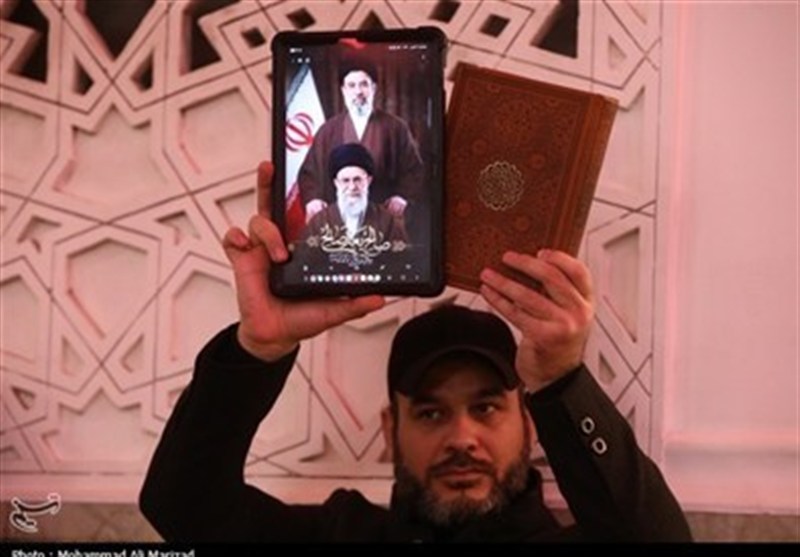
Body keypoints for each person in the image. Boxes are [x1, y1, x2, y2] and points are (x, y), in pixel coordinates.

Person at [139, 162, 693, 542]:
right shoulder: (339, 536)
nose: (461, 438)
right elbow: (182, 506)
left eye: (486, 407)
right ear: (390, 429)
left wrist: (561, 378)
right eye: (430, 412)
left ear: (528, 424)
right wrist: (258, 348)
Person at [298, 58, 424, 224]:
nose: (358, 91)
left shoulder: (395, 127)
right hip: (338, 222)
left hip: (384, 219)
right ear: (343, 90)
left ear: (374, 88)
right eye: (351, 85)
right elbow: (309, 174)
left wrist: (401, 196)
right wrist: (313, 199)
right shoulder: (327, 131)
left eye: (364, 84)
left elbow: (414, 169)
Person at [295, 142, 408, 269]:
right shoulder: (318, 223)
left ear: (368, 181)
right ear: (336, 183)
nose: (352, 187)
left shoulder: (388, 222)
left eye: (357, 179)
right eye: (345, 180)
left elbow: (402, 264)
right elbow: (305, 265)